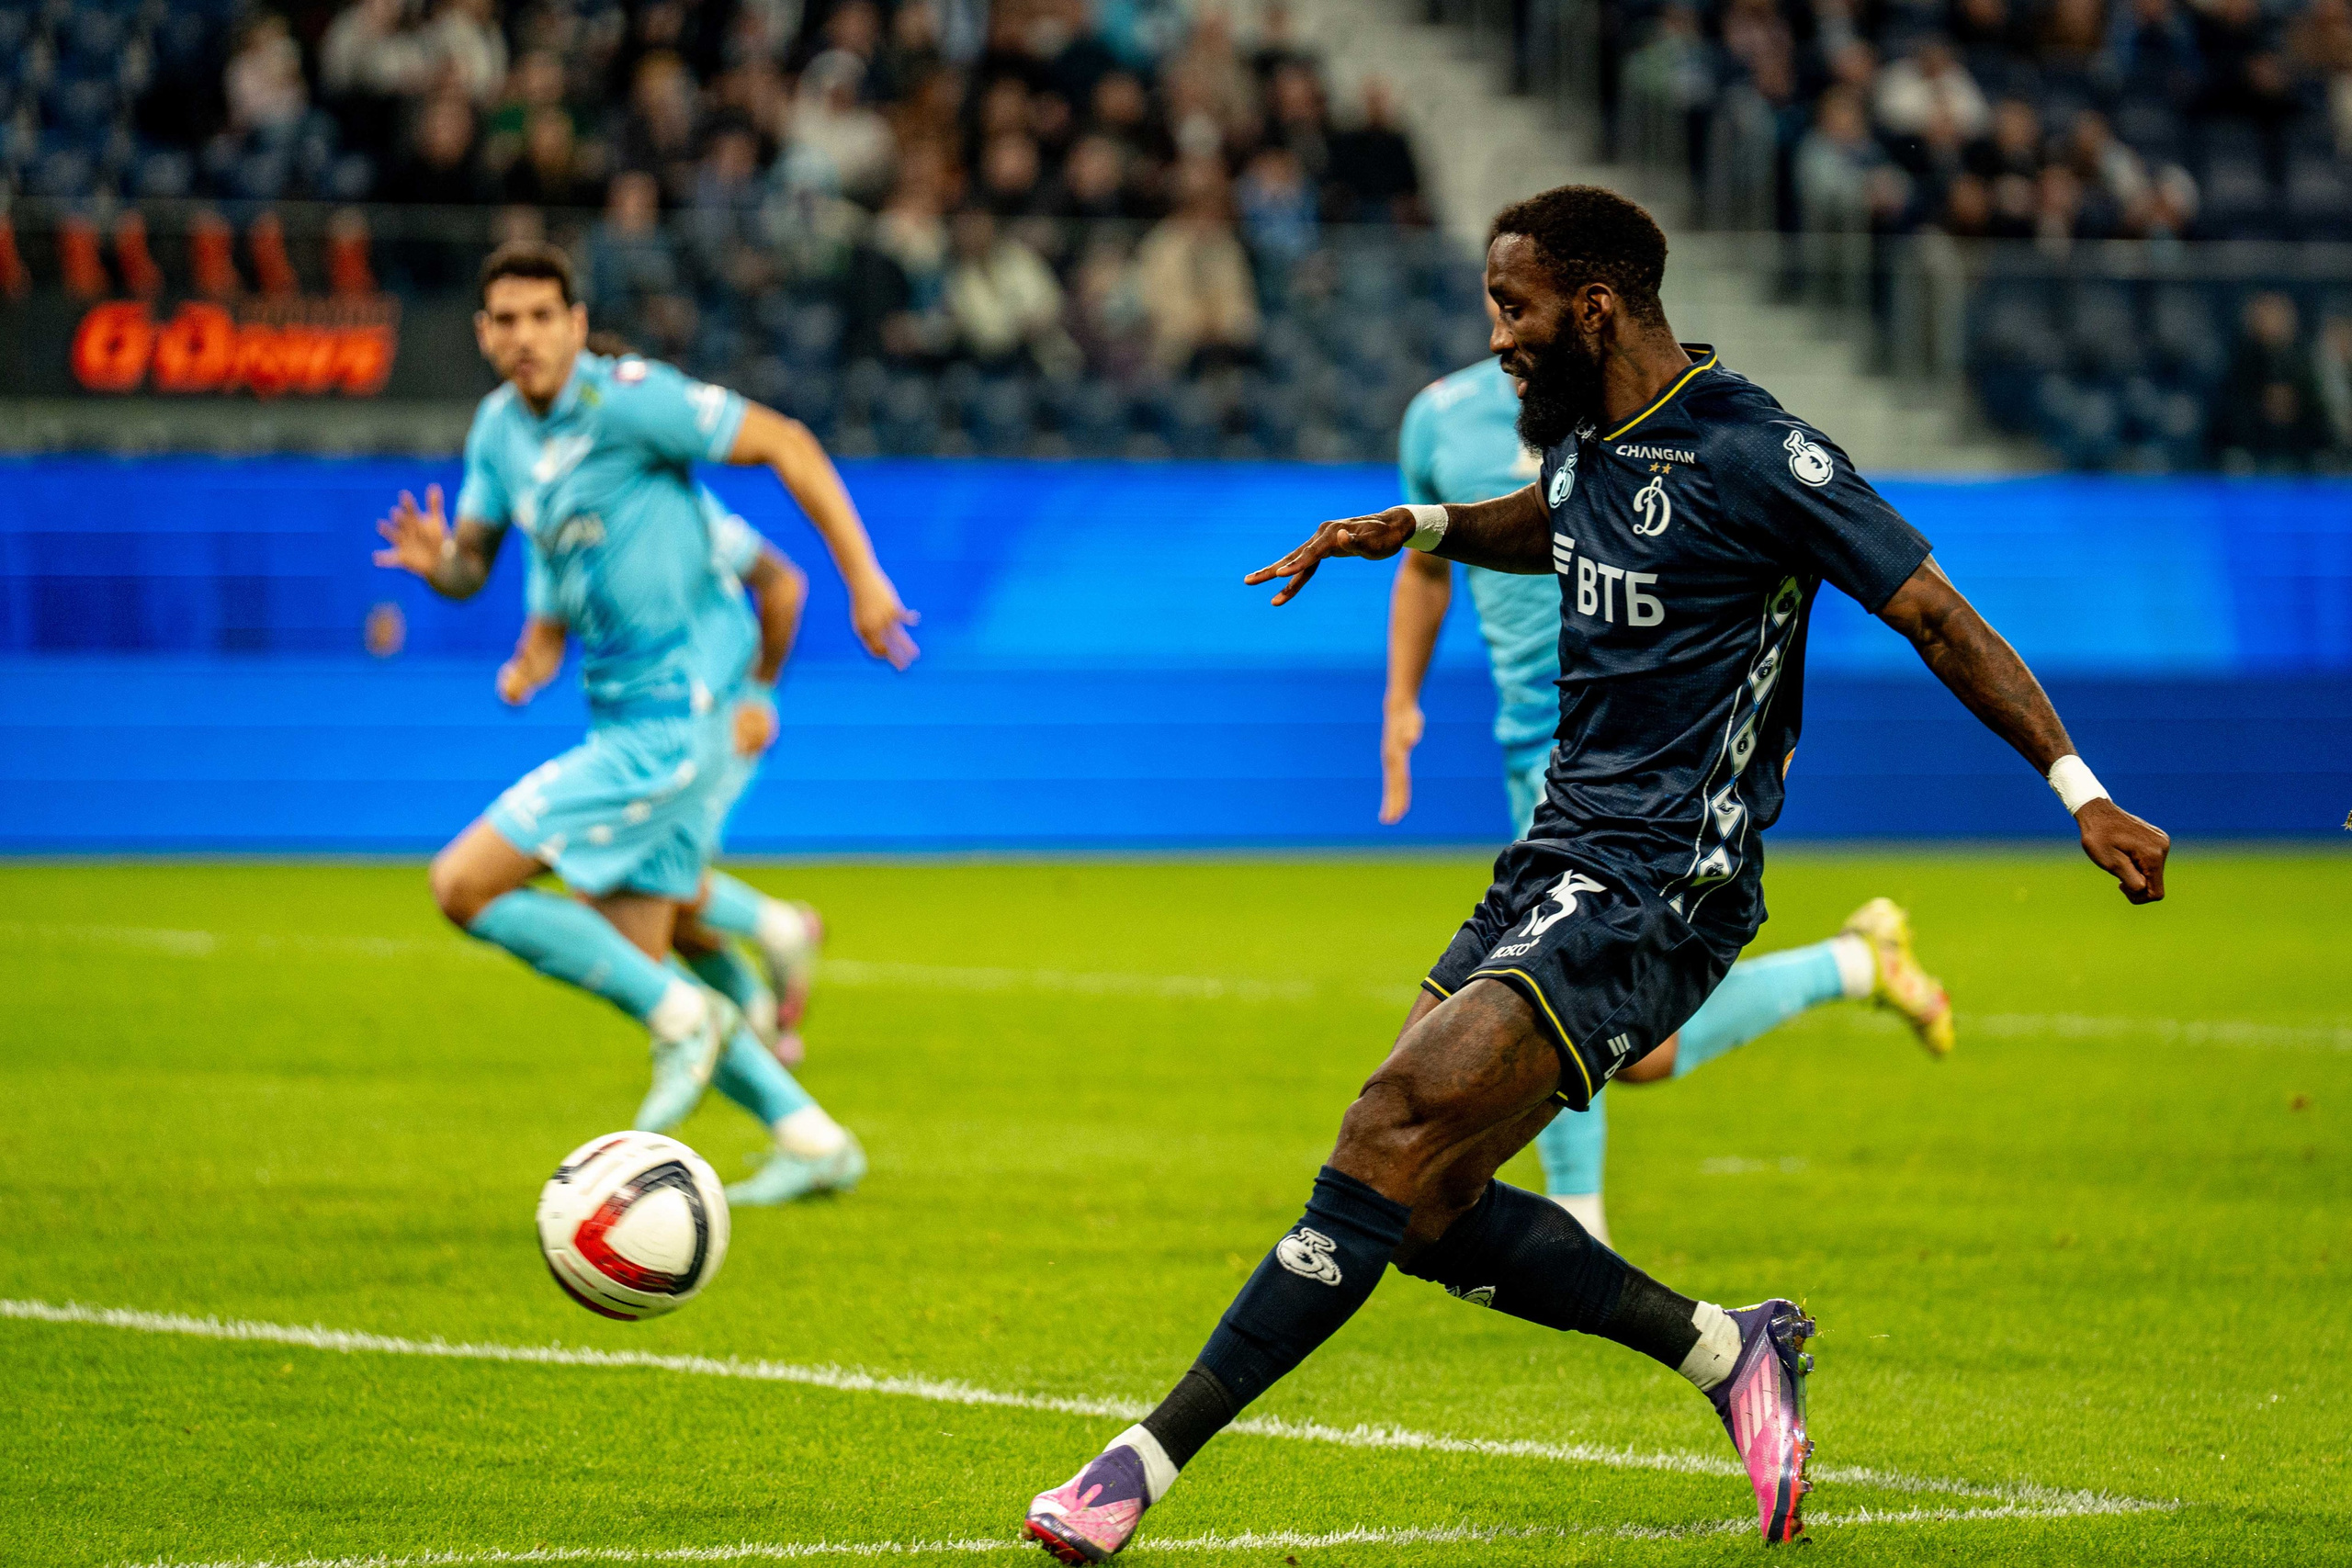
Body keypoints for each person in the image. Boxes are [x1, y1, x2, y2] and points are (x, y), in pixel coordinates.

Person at [1023, 185, 2170, 1559]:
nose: (1496, 335)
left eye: (1513, 307)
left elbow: (1933, 613)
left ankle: (1134, 1468)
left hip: (1664, 881)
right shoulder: (1584, 443)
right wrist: (1418, 527)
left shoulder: (1756, 452)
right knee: (1423, 1205)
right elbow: (1550, 517)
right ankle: (1725, 1348)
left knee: (1385, 1126)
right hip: (1555, 852)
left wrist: (2080, 790)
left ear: (1596, 305)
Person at [1382, 321, 1953, 1247]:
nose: (1508, 325)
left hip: (1645, 752)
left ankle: (1581, 1229)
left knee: (1538, 995)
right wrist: (1400, 701)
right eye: (1501, 299)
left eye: (1521, 301)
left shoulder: (1637, 417)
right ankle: (1856, 964)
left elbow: (1759, 566)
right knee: (1608, 1033)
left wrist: (1760, 723)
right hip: (1541, 745)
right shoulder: (1438, 419)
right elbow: (1425, 569)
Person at [373, 243, 919, 1200]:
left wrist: (864, 580)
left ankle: (699, 1008)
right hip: (619, 715)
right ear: (483, 334)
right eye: (507, 320)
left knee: (462, 883)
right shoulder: (498, 432)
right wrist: (441, 568)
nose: (526, 336)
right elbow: (473, 566)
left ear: (577, 325)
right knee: (636, 952)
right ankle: (811, 1137)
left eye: (544, 316)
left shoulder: (631, 401)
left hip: (680, 717)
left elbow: (787, 442)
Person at [496, 474, 847, 1204]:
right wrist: (524, 668)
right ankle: (806, 1127)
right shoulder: (554, 503)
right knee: (649, 939)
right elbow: (545, 633)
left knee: (620, 922)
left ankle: (770, 934)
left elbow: (784, 584)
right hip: (639, 736)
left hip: (701, 730)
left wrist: (759, 693)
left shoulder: (672, 501)